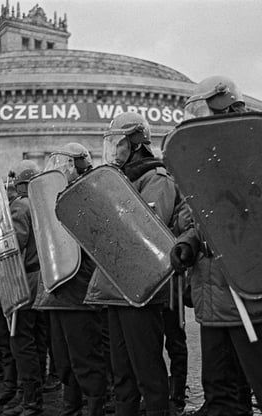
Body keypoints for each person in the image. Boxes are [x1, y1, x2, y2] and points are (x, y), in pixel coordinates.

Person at [169, 75, 262, 416]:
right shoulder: (206, 165)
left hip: (250, 294)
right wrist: (188, 243)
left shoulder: (259, 157)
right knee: (220, 394)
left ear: (229, 110)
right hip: (213, 301)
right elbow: (204, 223)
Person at [101, 111, 192, 416]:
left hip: (142, 286)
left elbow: (146, 227)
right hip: (116, 285)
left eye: (121, 143)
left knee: (147, 369)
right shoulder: (118, 179)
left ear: (137, 143)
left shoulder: (157, 178)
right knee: (122, 370)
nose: (116, 151)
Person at [34, 143, 108, 416]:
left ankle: (94, 407)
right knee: (63, 360)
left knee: (85, 359)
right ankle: (71, 406)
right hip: (56, 291)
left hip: (79, 292)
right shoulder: (53, 196)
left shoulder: (90, 194)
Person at [1, 160, 47, 416]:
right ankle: (34, 396)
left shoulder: (20, 205)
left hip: (25, 279)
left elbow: (13, 243)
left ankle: (29, 399)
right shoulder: (42, 204)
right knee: (38, 339)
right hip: (43, 280)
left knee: (21, 339)